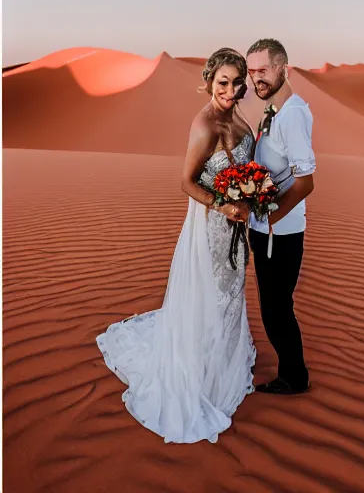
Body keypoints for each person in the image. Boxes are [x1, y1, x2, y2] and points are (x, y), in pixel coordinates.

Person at [96, 48, 257, 444]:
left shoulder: (236, 117)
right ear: (209, 80)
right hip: (212, 228)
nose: (232, 91)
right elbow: (187, 182)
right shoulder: (204, 124)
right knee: (211, 295)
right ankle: (202, 371)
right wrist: (226, 205)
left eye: (239, 83)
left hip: (236, 226)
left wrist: (252, 196)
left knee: (232, 293)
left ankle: (224, 359)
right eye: (224, 82)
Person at [246, 38, 316, 395]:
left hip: (282, 232)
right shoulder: (275, 110)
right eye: (252, 70)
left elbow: (306, 182)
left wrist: (271, 219)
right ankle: (293, 371)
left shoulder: (292, 115)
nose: (256, 78)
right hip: (267, 228)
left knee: (276, 310)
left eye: (264, 70)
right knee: (272, 306)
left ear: (282, 69)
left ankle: (294, 377)